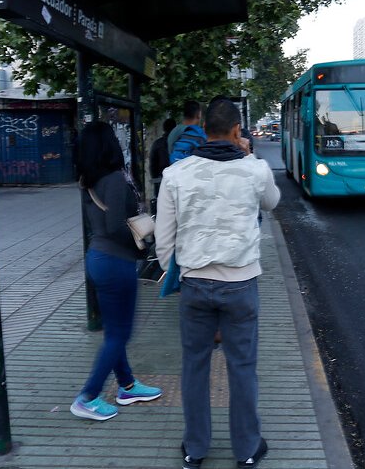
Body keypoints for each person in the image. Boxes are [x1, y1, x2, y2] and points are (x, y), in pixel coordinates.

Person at [155, 98, 280, 468]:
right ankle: (246, 450)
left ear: (203, 129)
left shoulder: (176, 173)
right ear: (238, 130)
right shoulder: (254, 170)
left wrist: (177, 276)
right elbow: (272, 202)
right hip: (241, 284)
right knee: (242, 366)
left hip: (195, 283)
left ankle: (195, 449)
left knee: (194, 365)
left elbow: (165, 237)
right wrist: (251, 156)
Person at [71, 121, 162, 421]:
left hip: (99, 259)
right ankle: (87, 396)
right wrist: (141, 246)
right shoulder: (112, 179)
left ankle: (127, 385)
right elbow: (115, 227)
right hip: (115, 262)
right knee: (119, 334)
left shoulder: (89, 179)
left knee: (114, 332)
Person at [149, 118, 176, 211]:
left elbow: (152, 164)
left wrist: (155, 178)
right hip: (175, 179)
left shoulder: (157, 143)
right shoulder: (178, 143)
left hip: (160, 179)